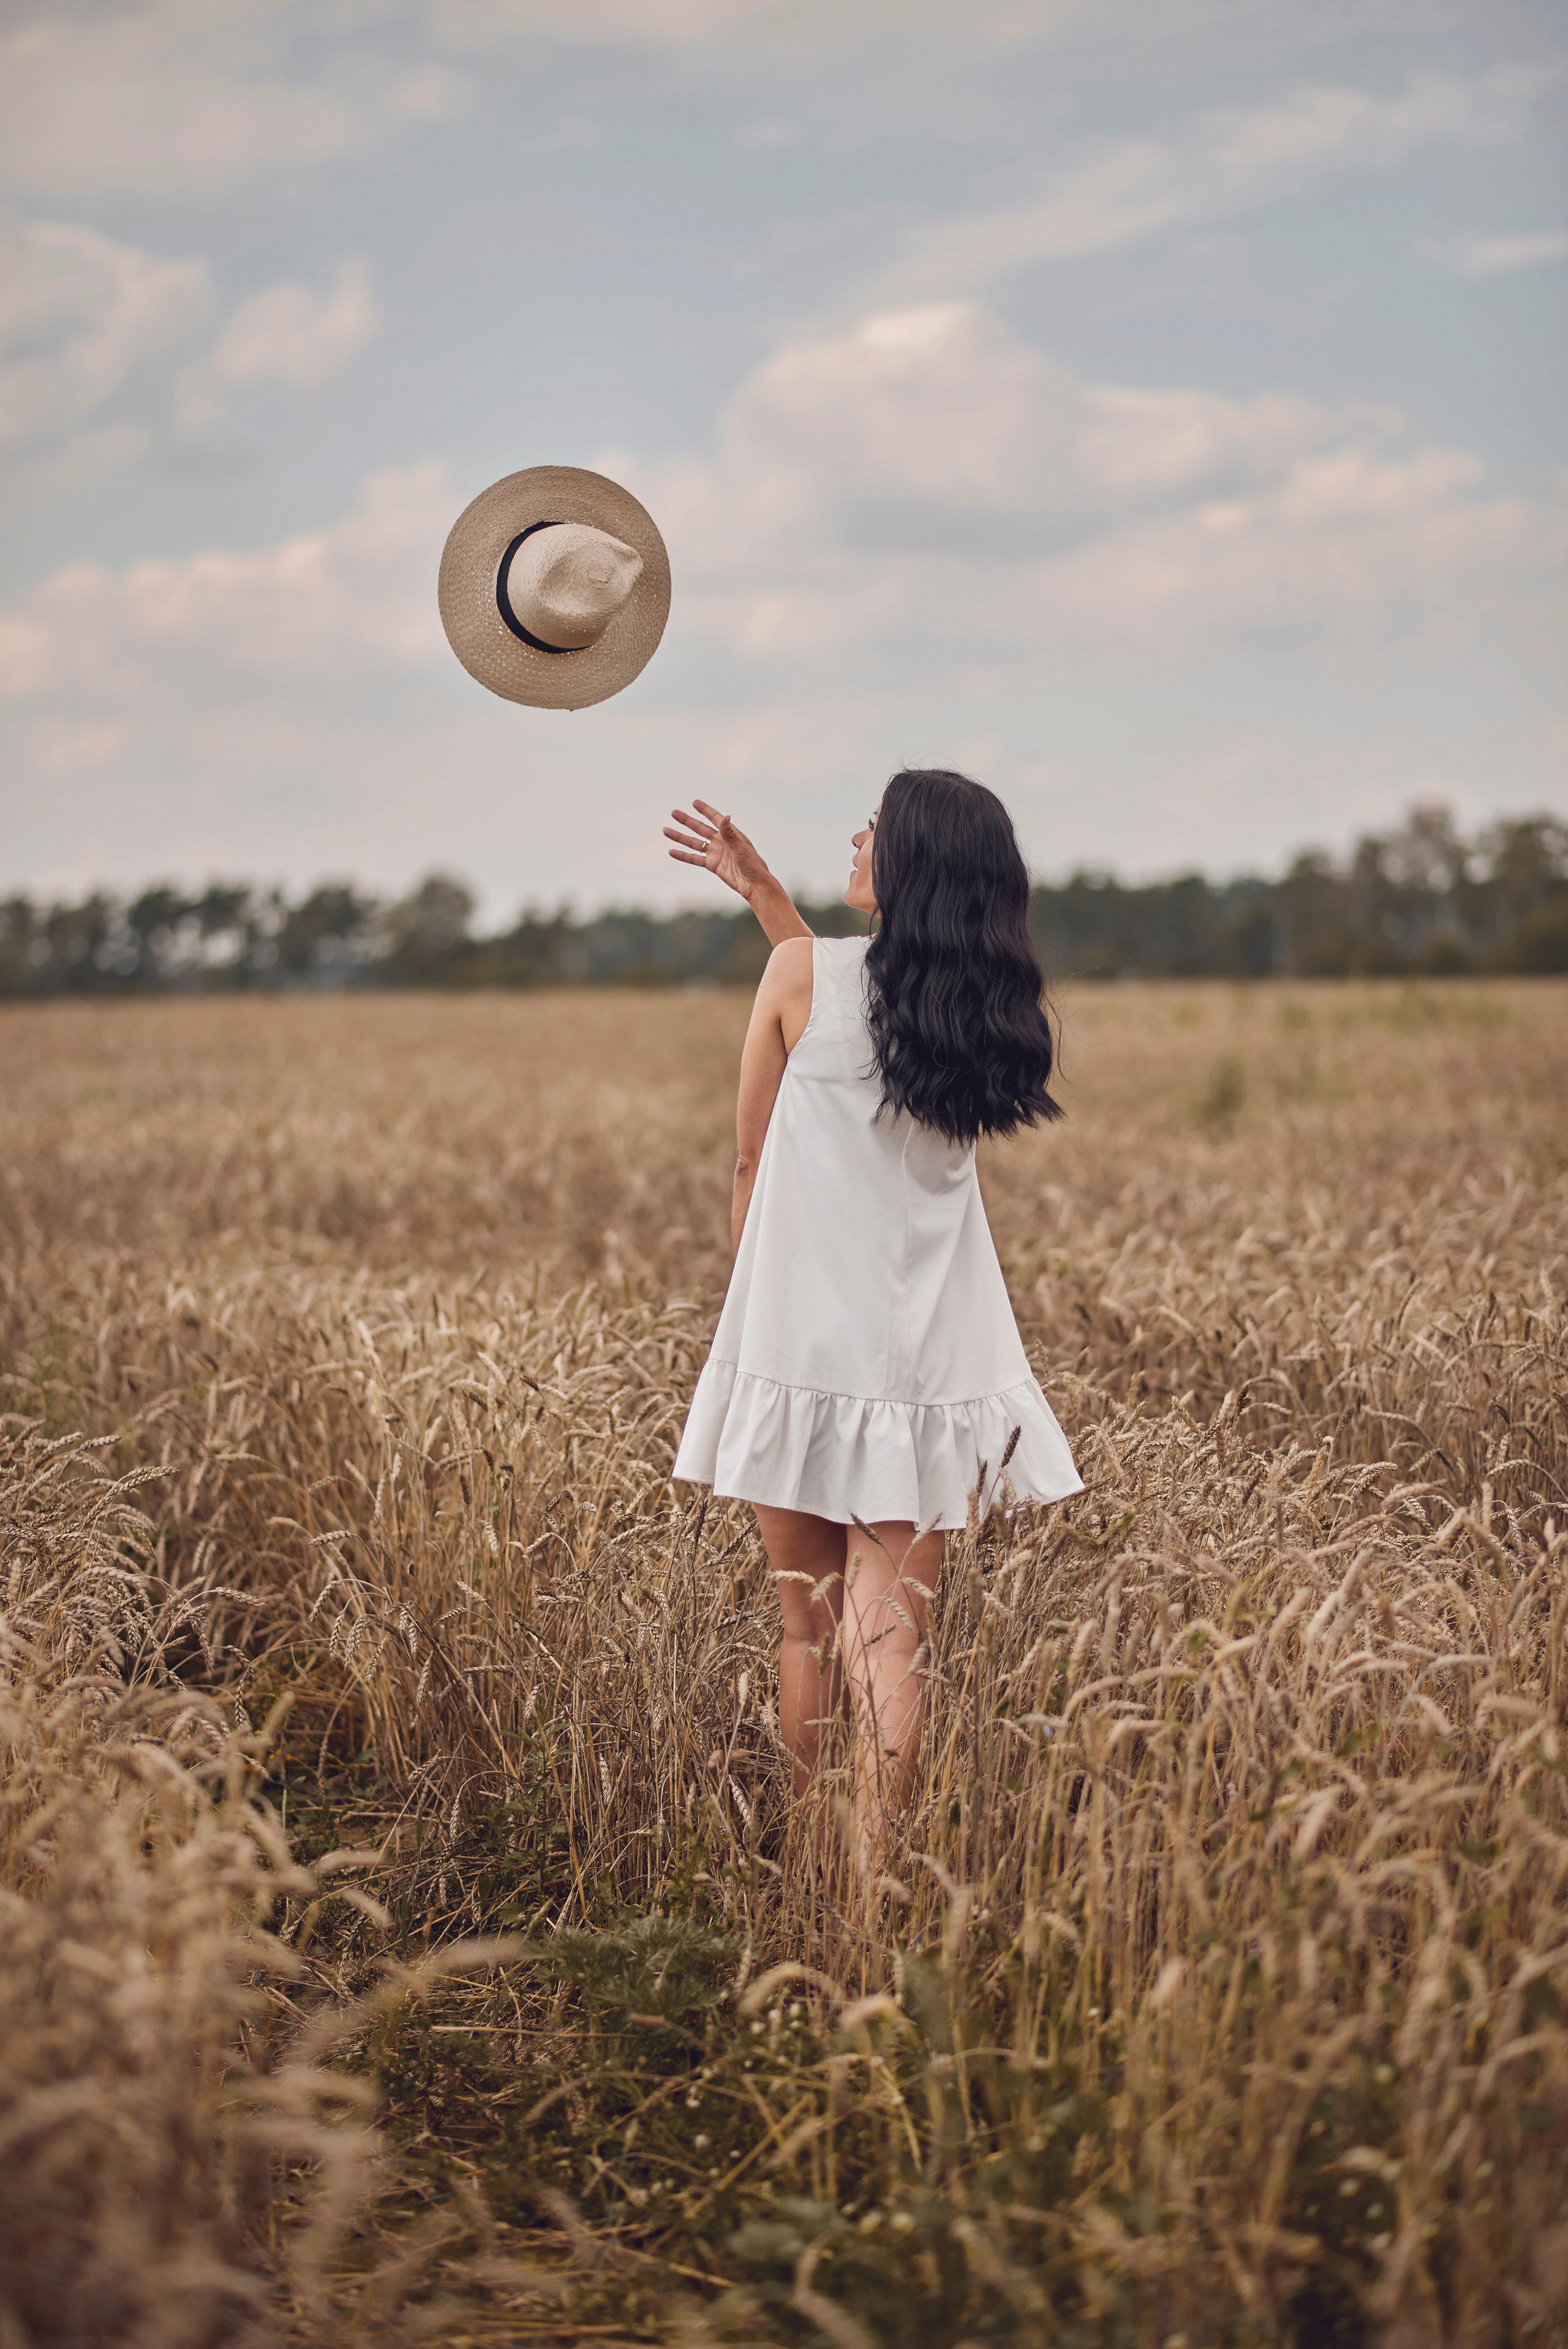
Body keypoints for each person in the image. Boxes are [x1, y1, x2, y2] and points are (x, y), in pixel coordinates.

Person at [665, 772, 1082, 1860]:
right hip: (925, 1359)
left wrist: (771, 918)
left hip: (800, 1340)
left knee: (806, 1623)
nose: (856, 837)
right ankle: (869, 1879)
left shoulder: (801, 976)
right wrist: (765, 895)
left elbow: (760, 1143)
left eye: (877, 829)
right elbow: (859, 1006)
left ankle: (807, 1853)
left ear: (913, 866)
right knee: (890, 1636)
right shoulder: (977, 1015)